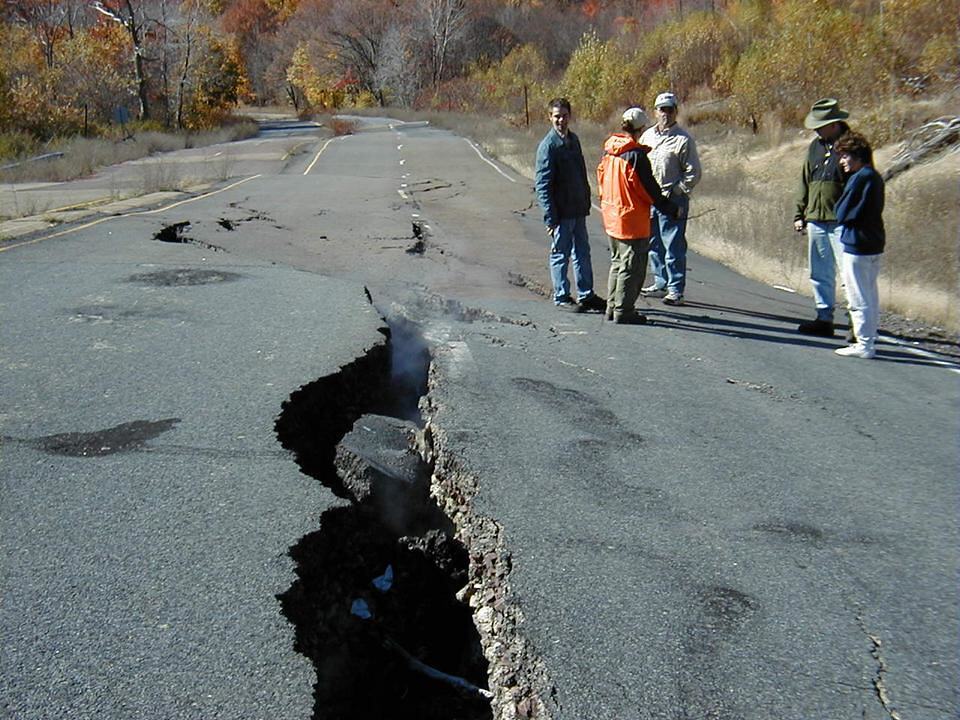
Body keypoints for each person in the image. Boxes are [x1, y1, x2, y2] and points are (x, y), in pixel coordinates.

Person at [597, 107, 680, 324]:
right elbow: (649, 190)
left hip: (612, 215)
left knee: (617, 263)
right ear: (641, 129)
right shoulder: (635, 156)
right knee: (631, 267)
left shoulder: (609, 150)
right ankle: (624, 311)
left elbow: (601, 181)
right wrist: (670, 208)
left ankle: (612, 307)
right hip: (631, 220)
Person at [534, 97, 606, 313]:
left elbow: (581, 174)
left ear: (570, 116)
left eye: (564, 116)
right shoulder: (548, 146)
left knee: (582, 253)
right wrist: (550, 218)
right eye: (557, 116)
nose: (561, 120)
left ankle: (586, 295)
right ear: (550, 117)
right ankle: (562, 296)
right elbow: (543, 185)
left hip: (577, 210)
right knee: (560, 254)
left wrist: (586, 201)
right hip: (561, 214)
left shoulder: (573, 140)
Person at [793, 97, 851, 338]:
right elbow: (805, 180)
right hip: (816, 218)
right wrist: (800, 212)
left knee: (849, 274)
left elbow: (858, 183)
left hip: (842, 221)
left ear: (835, 124)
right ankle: (824, 317)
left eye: (821, 124)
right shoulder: (815, 147)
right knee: (820, 272)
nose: (816, 129)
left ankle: (856, 323)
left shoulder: (851, 146)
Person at [639, 92, 701, 306]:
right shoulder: (647, 137)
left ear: (676, 111)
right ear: (654, 111)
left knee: (673, 244)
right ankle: (660, 282)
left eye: (669, 109)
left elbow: (693, 173)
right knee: (654, 243)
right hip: (650, 200)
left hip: (672, 200)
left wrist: (678, 191)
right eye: (661, 109)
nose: (665, 113)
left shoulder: (683, 139)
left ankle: (676, 289)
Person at [832, 132, 885, 359]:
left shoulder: (861, 178)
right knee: (870, 293)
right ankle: (869, 338)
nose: (842, 161)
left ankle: (863, 343)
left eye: (845, 156)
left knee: (858, 295)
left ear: (857, 156)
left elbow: (842, 211)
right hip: (873, 241)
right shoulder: (873, 176)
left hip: (857, 243)